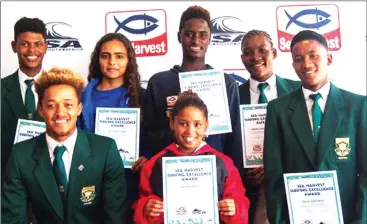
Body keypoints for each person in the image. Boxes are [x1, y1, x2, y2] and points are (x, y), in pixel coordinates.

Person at [263, 30, 367, 223]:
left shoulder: (357, 106)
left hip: (346, 217)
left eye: (313, 56)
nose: (307, 64)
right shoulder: (278, 109)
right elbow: (274, 174)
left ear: (328, 58)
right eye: (299, 59)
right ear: (293, 64)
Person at [2, 67, 127, 224]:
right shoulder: (21, 155)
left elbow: (115, 217)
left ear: (79, 108)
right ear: (40, 109)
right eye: (51, 105)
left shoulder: (105, 150)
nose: (60, 113)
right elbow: (12, 218)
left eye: (68, 105)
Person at [143, 5, 243, 169]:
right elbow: (148, 137)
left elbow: (235, 139)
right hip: (169, 170)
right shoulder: (159, 83)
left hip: (216, 171)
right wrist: (178, 125)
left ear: (210, 38)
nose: (196, 40)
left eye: (203, 35)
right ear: (179, 36)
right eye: (189, 34)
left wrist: (235, 177)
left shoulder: (226, 84)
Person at [134, 90, 250, 223]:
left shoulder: (223, 163)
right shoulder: (154, 164)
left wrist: (234, 208)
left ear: (206, 125)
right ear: (172, 123)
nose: (190, 131)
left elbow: (240, 204)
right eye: (183, 123)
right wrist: (146, 208)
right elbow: (141, 206)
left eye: (197, 124)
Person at [77, 32, 149, 223]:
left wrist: (146, 156)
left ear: (129, 60)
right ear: (97, 59)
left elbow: (152, 135)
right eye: (105, 56)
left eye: (119, 56)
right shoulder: (82, 97)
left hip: (129, 177)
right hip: (90, 177)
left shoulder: (142, 96)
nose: (112, 62)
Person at [238, 29, 300, 224]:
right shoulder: (232, 97)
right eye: (248, 52)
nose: (255, 57)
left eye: (262, 50)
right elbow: (227, 142)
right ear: (242, 58)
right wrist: (244, 171)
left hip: (290, 188)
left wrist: (274, 165)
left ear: (273, 53)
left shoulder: (298, 91)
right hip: (248, 191)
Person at [1, 17, 47, 176]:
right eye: (24, 44)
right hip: (8, 180)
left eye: (38, 44)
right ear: (14, 46)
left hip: (50, 179)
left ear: (46, 47)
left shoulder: (58, 89)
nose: (31, 50)